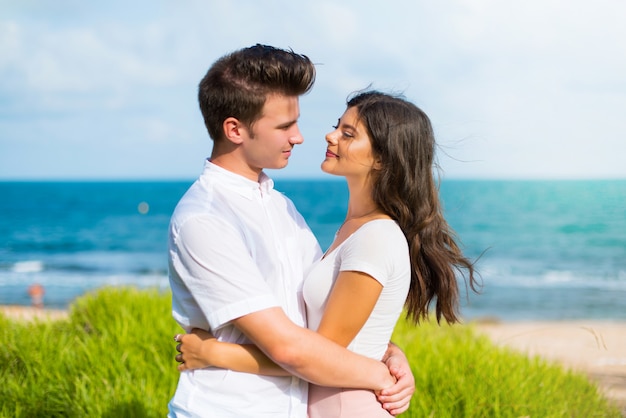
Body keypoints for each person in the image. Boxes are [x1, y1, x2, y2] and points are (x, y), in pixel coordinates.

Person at [175, 90, 480, 417]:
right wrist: (389, 353)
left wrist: (213, 353)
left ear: (381, 158)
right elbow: (342, 336)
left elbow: (319, 354)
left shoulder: (375, 237)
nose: (329, 135)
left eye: (348, 134)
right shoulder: (353, 230)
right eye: (338, 126)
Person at [167, 45, 415, 418]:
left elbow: (322, 322)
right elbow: (291, 349)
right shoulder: (205, 219)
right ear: (235, 129)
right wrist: (378, 373)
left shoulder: (281, 207)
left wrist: (389, 351)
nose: (300, 137)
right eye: (284, 126)